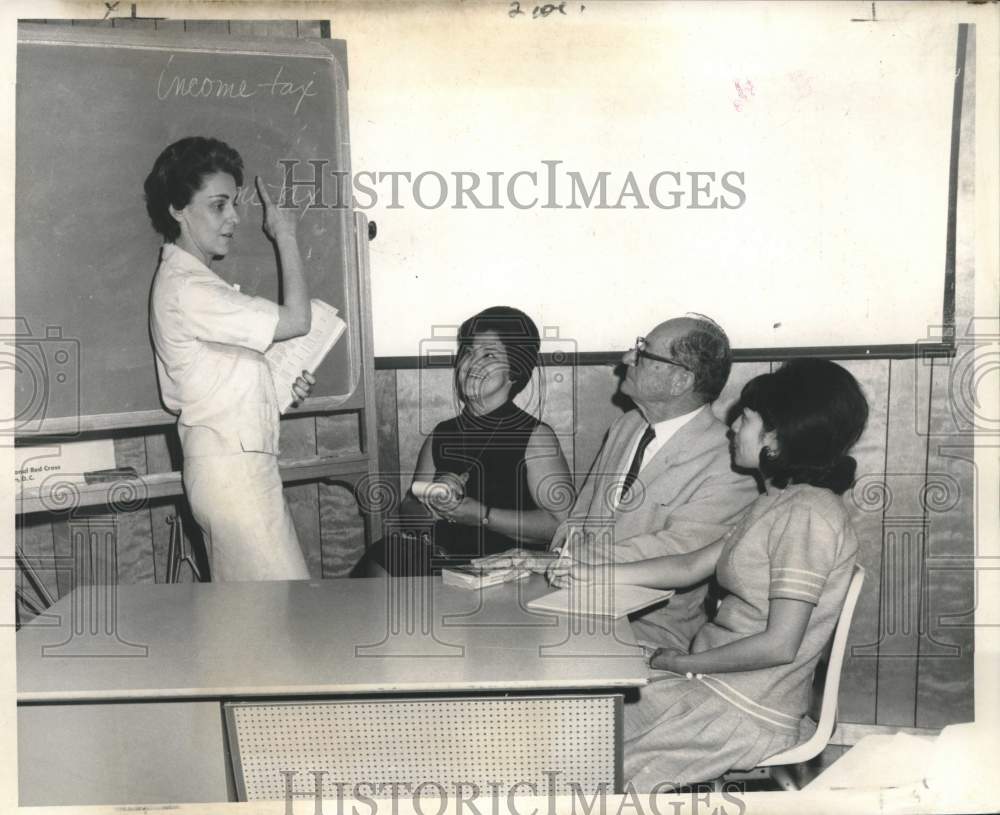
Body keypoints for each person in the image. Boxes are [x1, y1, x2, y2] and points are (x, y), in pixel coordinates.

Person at [554, 358, 869, 789]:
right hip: (714, 684)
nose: (733, 426)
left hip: (741, 707)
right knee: (576, 714)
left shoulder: (808, 515)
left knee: (584, 756)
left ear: (776, 438)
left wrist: (682, 664)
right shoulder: (776, 502)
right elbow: (690, 565)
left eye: (747, 418)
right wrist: (596, 574)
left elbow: (779, 645)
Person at [146, 136, 316, 582]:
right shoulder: (191, 288)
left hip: (234, 469)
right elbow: (298, 320)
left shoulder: (197, 284)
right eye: (218, 206)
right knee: (280, 617)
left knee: (253, 624)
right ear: (178, 209)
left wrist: (277, 388)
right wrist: (286, 235)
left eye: (233, 204)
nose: (235, 218)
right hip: (233, 478)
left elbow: (215, 381)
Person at [551, 315, 758, 652]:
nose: (626, 359)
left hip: (650, 631)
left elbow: (679, 552)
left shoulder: (729, 460)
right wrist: (544, 559)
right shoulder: (627, 426)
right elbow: (578, 517)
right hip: (571, 601)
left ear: (679, 380)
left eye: (643, 352)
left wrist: (573, 560)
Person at [362, 306, 575, 575]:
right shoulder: (442, 433)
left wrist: (483, 515)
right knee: (382, 556)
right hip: (444, 562)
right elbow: (409, 508)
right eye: (468, 352)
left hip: (508, 568)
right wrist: (433, 503)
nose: (472, 363)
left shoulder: (536, 436)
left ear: (514, 370)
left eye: (488, 355)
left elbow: (561, 525)